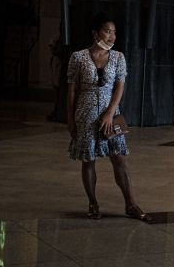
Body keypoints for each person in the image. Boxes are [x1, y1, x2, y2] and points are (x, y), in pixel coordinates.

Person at [66, 13, 150, 221]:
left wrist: (110, 113)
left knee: (118, 158)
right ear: (96, 33)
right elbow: (71, 91)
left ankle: (131, 204)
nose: (112, 36)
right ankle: (93, 203)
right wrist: (70, 120)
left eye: (114, 32)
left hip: (110, 114)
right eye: (107, 31)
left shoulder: (118, 57)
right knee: (89, 160)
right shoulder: (78, 57)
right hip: (85, 114)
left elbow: (120, 87)